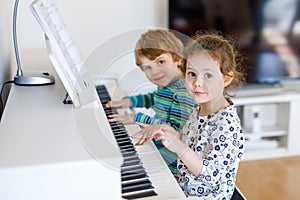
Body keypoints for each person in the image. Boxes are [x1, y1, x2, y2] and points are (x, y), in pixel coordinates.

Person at [134, 30, 246, 199]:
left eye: (208, 75)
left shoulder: (226, 125)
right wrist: (169, 132)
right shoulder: (199, 108)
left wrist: (177, 146)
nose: (197, 83)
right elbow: (192, 141)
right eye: (192, 74)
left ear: (226, 79)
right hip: (184, 187)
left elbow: (211, 176)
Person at [105, 29, 196, 177]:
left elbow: (172, 130)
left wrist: (136, 118)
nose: (154, 72)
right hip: (161, 148)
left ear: (178, 59)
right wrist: (130, 102)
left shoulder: (185, 93)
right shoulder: (168, 85)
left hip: (174, 165)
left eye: (160, 62)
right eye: (147, 67)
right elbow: (156, 98)